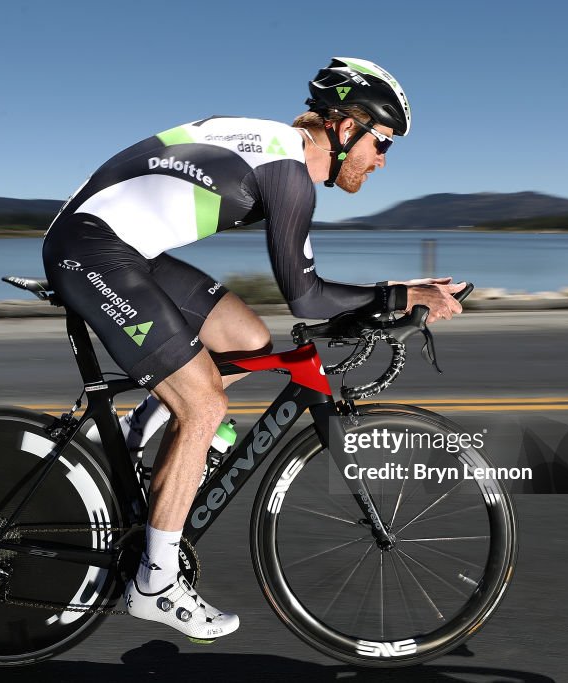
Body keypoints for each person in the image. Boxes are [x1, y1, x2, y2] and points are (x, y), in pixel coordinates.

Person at [42, 57, 465, 642]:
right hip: (92, 251)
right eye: (382, 143)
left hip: (123, 249)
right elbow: (309, 298)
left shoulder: (280, 153)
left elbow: (305, 287)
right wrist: (400, 293)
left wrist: (387, 299)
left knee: (247, 340)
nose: (383, 161)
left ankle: (138, 433)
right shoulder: (287, 170)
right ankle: (155, 584)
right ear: (346, 128)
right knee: (206, 407)